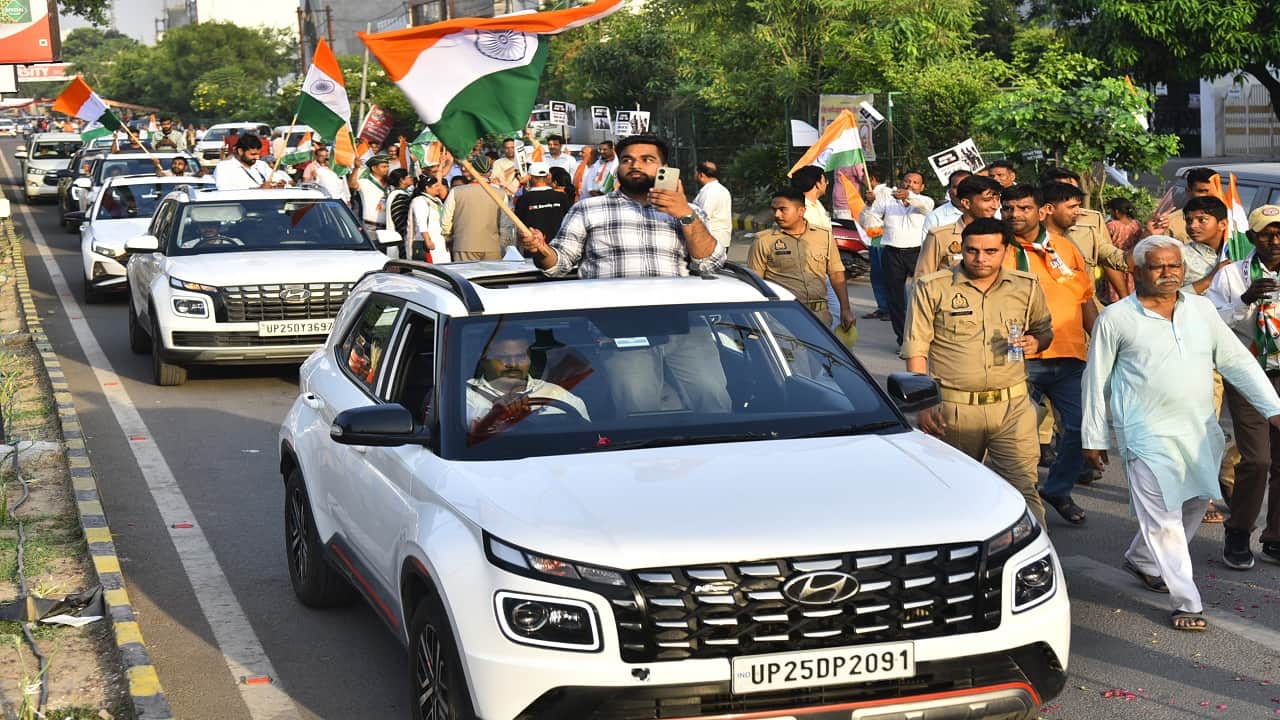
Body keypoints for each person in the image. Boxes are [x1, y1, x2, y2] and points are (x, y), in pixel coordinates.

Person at [1084, 235, 1280, 632]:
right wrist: (1093, 438)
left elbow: (1238, 362)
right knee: (1165, 520)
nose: (1169, 273)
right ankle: (1186, 600)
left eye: (1174, 265)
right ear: (1137, 271)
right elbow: (1096, 380)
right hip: (1144, 432)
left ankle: (1142, 559)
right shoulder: (1116, 318)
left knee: (1193, 503)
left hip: (1198, 429)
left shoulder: (1202, 311)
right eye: (1158, 266)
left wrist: (1274, 410)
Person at [517, 134, 729, 414]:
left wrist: (684, 214)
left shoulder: (690, 212)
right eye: (627, 159)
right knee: (638, 410)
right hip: (620, 332)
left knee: (713, 402)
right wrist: (540, 249)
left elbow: (710, 264)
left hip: (685, 328)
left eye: (647, 159)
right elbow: (558, 264)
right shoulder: (589, 209)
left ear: (664, 168)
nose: (635, 165)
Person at [902, 217, 1053, 523]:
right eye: (972, 251)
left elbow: (1044, 329)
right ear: (963, 250)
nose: (980, 258)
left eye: (990, 251)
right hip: (953, 410)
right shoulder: (933, 288)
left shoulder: (1026, 287)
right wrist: (922, 402)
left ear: (1006, 251)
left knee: (1023, 488)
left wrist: (1036, 341)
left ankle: (1035, 562)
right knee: (952, 491)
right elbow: (916, 348)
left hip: (1012, 407)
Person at [1008, 183, 1095, 525]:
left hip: (1070, 353)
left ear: (1041, 211)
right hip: (1021, 357)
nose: (1015, 215)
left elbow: (1084, 299)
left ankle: (1058, 488)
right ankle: (1021, 500)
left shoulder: (1064, 248)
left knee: (1080, 428)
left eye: (1024, 208)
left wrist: (1102, 342)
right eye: (1009, 208)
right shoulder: (997, 249)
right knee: (1019, 435)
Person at [1208, 205, 1280, 570]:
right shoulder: (1232, 276)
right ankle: (1238, 532)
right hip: (1249, 374)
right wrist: (1245, 300)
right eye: (1266, 233)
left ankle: (1276, 537)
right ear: (1252, 238)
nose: (1275, 239)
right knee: (1257, 459)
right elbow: (1211, 323)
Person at [748, 187, 856, 329]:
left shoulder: (824, 237)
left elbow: (836, 274)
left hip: (819, 317)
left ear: (801, 211)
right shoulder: (763, 241)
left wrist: (845, 309)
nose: (777, 215)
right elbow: (755, 283)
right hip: (782, 318)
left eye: (782, 209)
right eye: (774, 210)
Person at [467, 328, 590, 434]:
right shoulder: (462, 402)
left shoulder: (560, 396)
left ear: (530, 357)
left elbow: (586, 442)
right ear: (483, 359)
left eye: (521, 357)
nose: (513, 364)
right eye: (502, 358)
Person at [868, 170, 935, 346]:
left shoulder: (925, 201)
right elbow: (870, 218)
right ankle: (902, 340)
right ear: (901, 182)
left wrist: (909, 196)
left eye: (915, 182)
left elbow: (924, 206)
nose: (910, 185)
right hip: (892, 252)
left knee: (924, 294)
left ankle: (925, 335)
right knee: (895, 298)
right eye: (907, 181)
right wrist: (869, 206)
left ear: (922, 187)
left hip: (918, 252)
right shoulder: (887, 200)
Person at [915, 174, 1003, 275]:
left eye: (997, 199)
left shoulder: (1004, 234)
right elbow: (923, 278)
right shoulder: (939, 237)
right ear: (966, 203)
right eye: (987, 200)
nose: (995, 206)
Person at [442, 155, 505, 261]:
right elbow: (505, 225)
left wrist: (448, 238)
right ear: (489, 172)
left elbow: (445, 222)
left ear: (472, 170)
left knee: (466, 277)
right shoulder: (501, 194)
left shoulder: (456, 191)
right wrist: (504, 246)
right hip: (492, 246)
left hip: (463, 244)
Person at [1148, 167, 1218, 242]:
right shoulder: (1171, 224)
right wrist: (1149, 234)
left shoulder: (1229, 218)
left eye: (1213, 191)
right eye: (1201, 191)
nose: (1208, 196)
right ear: (1188, 192)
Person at [860, 163, 893, 321]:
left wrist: (875, 202)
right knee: (877, 276)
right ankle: (882, 307)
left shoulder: (887, 193)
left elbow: (890, 212)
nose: (861, 179)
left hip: (885, 239)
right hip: (874, 239)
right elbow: (864, 217)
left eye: (864, 176)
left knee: (888, 275)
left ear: (871, 178)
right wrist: (869, 203)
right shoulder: (870, 196)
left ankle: (893, 308)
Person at [514, 161, 572, 247]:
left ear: (530, 177)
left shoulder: (524, 199)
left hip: (534, 249)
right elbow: (569, 221)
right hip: (558, 249)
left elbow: (518, 226)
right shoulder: (561, 197)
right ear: (549, 176)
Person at [1101, 196, 1143, 304]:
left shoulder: (1111, 226)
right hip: (1132, 262)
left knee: (1115, 290)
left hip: (1115, 263)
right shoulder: (1136, 224)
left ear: (1116, 211)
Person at [212, 133, 282, 190]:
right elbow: (224, 190)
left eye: (258, 154)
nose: (257, 158)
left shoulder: (261, 165)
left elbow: (278, 179)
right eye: (253, 154)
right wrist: (257, 189)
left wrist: (280, 183)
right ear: (240, 151)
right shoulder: (224, 167)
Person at [406, 173, 449, 262]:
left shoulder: (437, 201)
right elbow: (421, 223)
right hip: (426, 242)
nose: (439, 188)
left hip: (439, 241)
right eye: (436, 186)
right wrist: (428, 241)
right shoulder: (420, 201)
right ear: (427, 187)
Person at [693, 160, 733, 249]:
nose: (694, 176)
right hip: (721, 240)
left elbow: (702, 217)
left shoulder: (709, 192)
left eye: (695, 173)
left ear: (701, 175)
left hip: (711, 242)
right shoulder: (722, 189)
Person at [357, 154, 392, 230]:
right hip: (371, 225)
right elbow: (352, 184)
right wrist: (356, 168)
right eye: (383, 167)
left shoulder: (390, 184)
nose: (387, 169)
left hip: (387, 226)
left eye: (387, 166)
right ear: (374, 168)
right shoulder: (364, 182)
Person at [386, 168, 413, 241]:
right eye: (408, 176)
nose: (411, 177)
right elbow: (401, 222)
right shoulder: (399, 196)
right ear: (402, 180)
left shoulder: (398, 194)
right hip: (400, 241)